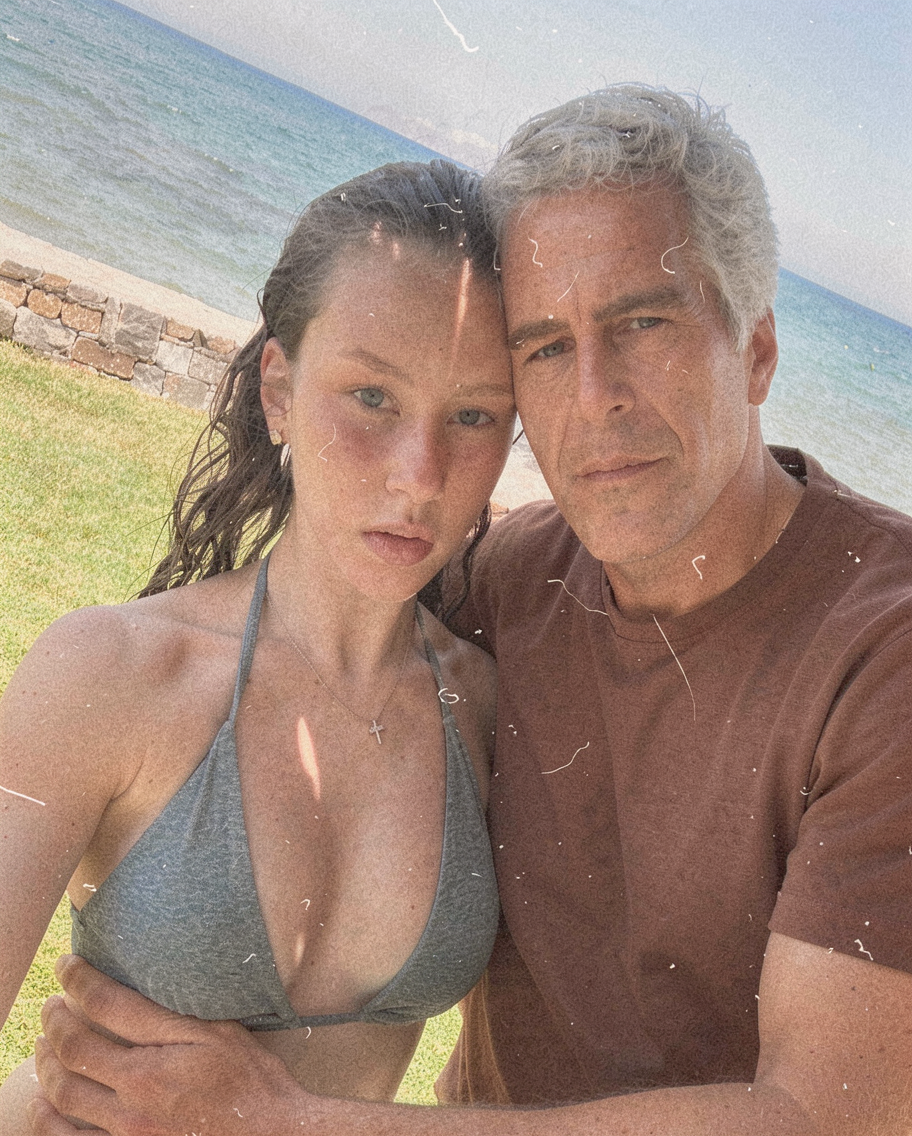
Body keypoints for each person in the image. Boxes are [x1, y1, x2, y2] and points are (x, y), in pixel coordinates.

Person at [29, 86, 912, 1135]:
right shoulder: (515, 582)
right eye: (544, 346)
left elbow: (827, 1116)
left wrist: (278, 1120)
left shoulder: (881, 644)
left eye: (643, 323)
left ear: (757, 349)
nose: (593, 395)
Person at [0, 159, 519, 1130]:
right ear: (279, 389)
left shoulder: (487, 710)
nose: (420, 473)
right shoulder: (114, 672)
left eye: (473, 414)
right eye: (372, 396)